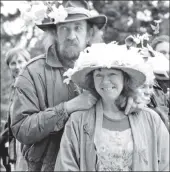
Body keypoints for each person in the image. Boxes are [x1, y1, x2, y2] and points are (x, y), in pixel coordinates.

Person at [10, 1, 146, 171]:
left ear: (89, 33)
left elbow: (132, 103)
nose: (71, 35)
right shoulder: (32, 73)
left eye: (78, 28)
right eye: (64, 28)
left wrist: (131, 100)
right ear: (55, 33)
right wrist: (66, 108)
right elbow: (21, 129)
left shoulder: (109, 68)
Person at [55, 43, 169, 171]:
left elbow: (166, 164)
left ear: (125, 79)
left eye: (112, 74)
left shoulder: (151, 119)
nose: (105, 81)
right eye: (99, 75)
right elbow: (66, 166)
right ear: (92, 80)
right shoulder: (77, 121)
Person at [0, 47, 31, 171]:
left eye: (20, 61)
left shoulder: (32, 84)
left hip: (29, 142)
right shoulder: (14, 87)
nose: (17, 66)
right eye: (13, 63)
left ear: (28, 62)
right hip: (15, 143)